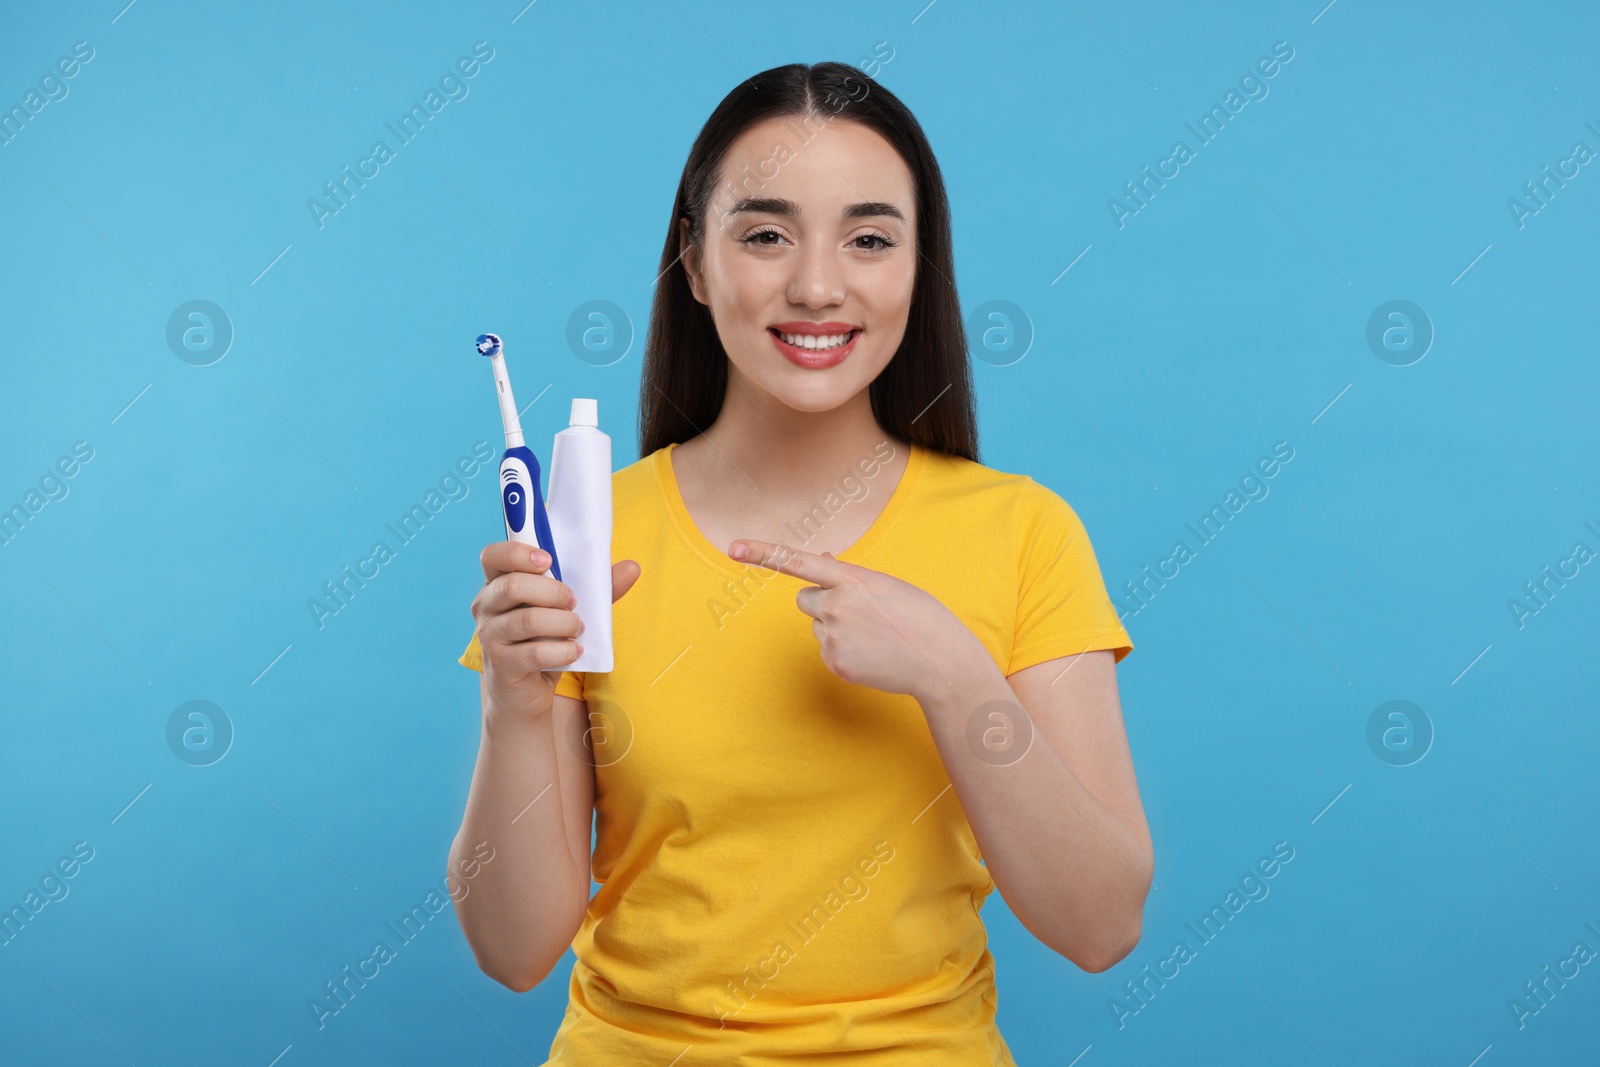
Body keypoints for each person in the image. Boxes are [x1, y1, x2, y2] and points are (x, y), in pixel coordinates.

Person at [451, 60, 1152, 1065]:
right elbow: (512, 951)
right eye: (765, 233)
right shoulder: (582, 533)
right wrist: (514, 702)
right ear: (694, 264)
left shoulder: (1023, 532)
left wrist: (953, 676)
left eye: (868, 238)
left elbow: (1101, 924)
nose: (817, 284)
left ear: (920, 267)